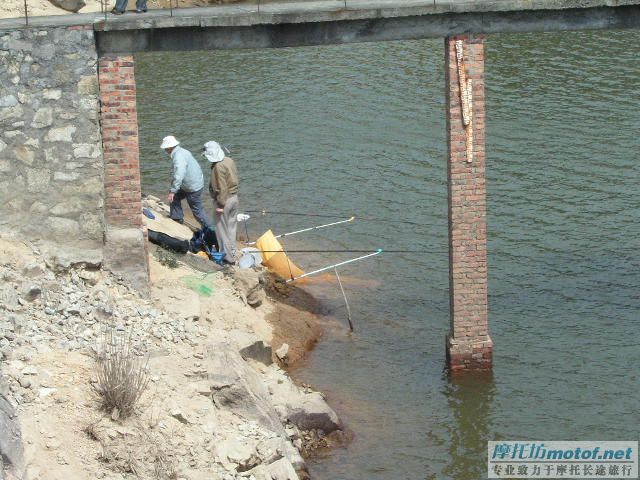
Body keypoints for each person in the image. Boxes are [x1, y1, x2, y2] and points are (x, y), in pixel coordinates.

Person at [160, 135, 212, 230]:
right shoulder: (182, 151)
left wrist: (173, 190)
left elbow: (179, 174)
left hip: (192, 187)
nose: (165, 150)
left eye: (165, 148)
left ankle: (211, 230)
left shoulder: (178, 157)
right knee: (174, 197)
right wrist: (173, 190)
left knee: (197, 211)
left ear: (169, 147)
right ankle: (177, 218)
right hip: (193, 182)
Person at [203, 141, 239, 265]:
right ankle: (233, 252)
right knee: (231, 227)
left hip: (225, 201)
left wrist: (220, 205)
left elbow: (222, 188)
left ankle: (227, 258)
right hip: (234, 198)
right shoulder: (229, 160)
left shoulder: (218, 167)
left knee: (222, 230)